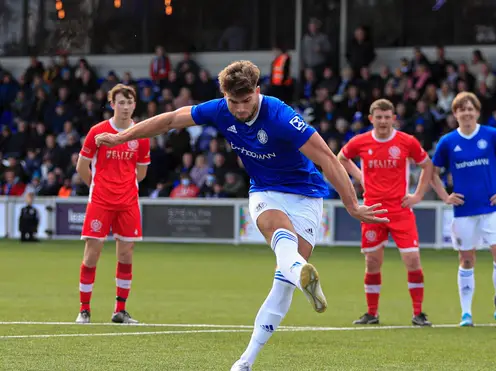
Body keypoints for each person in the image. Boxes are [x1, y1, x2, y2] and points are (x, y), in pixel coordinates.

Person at [94, 60, 388, 371]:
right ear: (225, 96)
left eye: (246, 101)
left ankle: (251, 353)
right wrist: (120, 137)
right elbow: (169, 120)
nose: (240, 109)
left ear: (257, 92)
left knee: (283, 282)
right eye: (233, 102)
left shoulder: (281, 115)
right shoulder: (219, 109)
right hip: (264, 191)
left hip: (306, 196)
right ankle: (265, 329)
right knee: (278, 234)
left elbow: (328, 159)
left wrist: (352, 205)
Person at [338, 98, 434, 326]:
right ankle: (372, 313)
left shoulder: (406, 141)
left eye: (387, 117)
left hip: (400, 210)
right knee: (372, 262)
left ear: (393, 118)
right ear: (371, 119)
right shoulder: (361, 141)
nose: (383, 121)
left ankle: (418, 313)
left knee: (412, 260)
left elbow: (427, 164)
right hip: (372, 210)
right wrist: (360, 176)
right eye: (378, 117)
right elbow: (341, 158)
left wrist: (418, 195)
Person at [430, 92, 496, 328]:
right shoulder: (448, 141)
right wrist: (444, 195)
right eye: (462, 109)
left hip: (492, 208)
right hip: (463, 211)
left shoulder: (490, 135)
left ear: (477, 112)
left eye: (471, 109)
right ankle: (466, 313)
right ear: (455, 114)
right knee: (467, 260)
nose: (467, 113)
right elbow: (432, 171)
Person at [75, 84, 151, 324]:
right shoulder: (98, 132)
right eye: (121, 102)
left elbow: (141, 173)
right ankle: (84, 309)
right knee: (92, 254)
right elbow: (81, 167)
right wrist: (99, 186)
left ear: (135, 105)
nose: (126, 107)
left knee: (126, 254)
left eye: (129, 103)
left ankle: (120, 310)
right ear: (112, 104)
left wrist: (123, 186)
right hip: (100, 200)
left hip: (128, 202)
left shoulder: (141, 134)